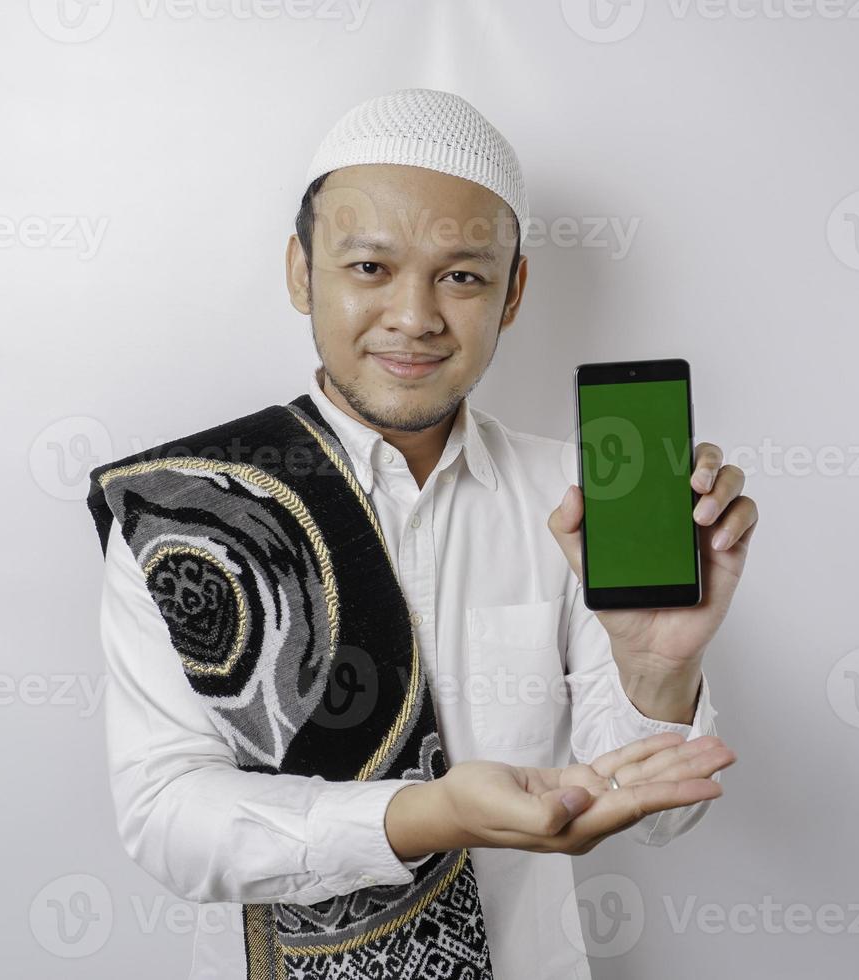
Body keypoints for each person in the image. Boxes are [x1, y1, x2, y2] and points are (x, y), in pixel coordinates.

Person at [94, 87, 758, 979]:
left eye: (463, 274)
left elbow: (663, 810)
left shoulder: (573, 499)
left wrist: (657, 667)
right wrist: (427, 816)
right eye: (370, 267)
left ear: (513, 290)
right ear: (302, 271)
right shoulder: (186, 510)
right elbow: (168, 818)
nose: (415, 317)